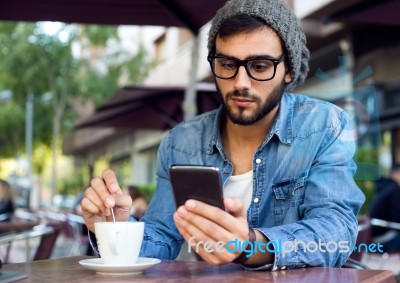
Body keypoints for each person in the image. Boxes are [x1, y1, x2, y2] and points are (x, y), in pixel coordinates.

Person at [81, 0, 365, 270]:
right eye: (228, 65)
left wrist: (250, 245)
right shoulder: (180, 143)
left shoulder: (324, 125)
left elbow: (335, 230)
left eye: (260, 66)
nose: (241, 83)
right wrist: (113, 228)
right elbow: (163, 239)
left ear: (288, 69)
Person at [369, 166, 400, 252]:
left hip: (376, 235)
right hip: (384, 238)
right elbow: (397, 218)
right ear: (396, 174)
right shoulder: (394, 190)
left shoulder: (385, 188)